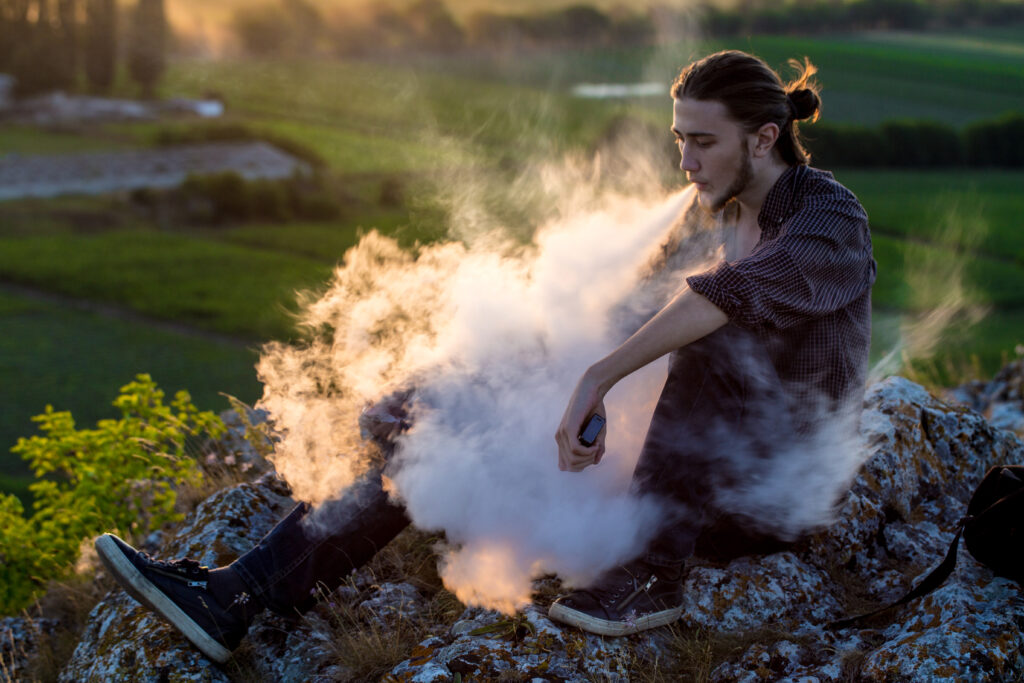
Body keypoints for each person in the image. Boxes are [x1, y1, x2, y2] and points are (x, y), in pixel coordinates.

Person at [95, 49, 875, 661]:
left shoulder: (827, 221)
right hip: (681, 463)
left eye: (703, 143)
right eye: (679, 141)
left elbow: (721, 300)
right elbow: (598, 313)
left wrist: (596, 378)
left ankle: (650, 580)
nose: (686, 164)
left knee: (713, 340)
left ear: (765, 137)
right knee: (454, 426)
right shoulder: (713, 215)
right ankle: (240, 594)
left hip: (766, 493)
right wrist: (455, 385)